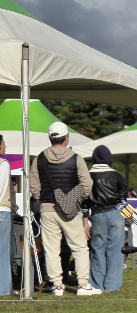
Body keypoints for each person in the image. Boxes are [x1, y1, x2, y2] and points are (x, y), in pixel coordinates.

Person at [30, 122, 95, 297]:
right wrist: (77, 198)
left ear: (50, 138)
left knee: (51, 249)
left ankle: (57, 285)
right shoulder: (76, 158)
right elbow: (87, 184)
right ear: (67, 137)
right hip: (71, 211)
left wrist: (41, 198)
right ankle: (82, 284)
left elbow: (34, 186)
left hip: (47, 208)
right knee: (79, 247)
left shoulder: (39, 158)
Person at [87, 145, 128, 293]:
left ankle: (96, 284)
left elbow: (84, 197)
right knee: (115, 249)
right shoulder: (116, 175)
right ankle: (112, 285)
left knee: (97, 248)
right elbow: (123, 193)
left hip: (96, 214)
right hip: (115, 212)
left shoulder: (88, 174)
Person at [0, 135, 13, 296]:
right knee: (3, 252)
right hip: (2, 210)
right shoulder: (4, 164)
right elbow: (2, 188)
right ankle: (3, 289)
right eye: (4, 144)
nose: (5, 147)